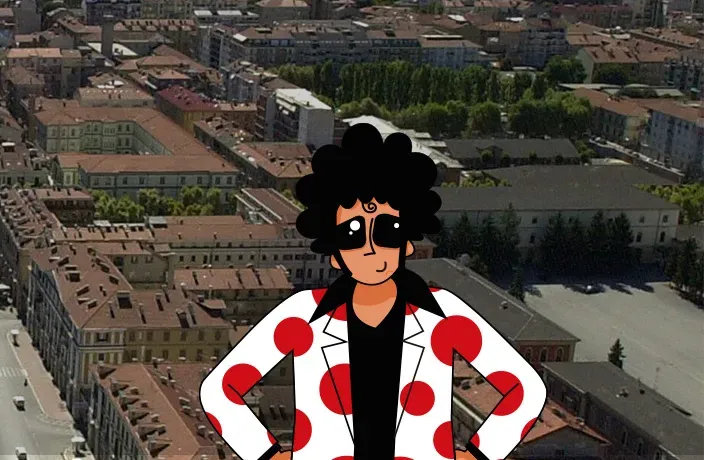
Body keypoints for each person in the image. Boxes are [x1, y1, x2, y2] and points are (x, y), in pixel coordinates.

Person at [198, 124, 544, 460]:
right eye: (352, 234)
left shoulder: (443, 315)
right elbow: (220, 391)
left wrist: (479, 455)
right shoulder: (302, 315)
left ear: (407, 242)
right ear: (334, 252)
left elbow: (526, 390)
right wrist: (268, 455)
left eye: (387, 231)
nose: (370, 247)